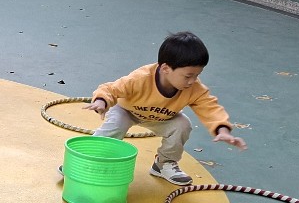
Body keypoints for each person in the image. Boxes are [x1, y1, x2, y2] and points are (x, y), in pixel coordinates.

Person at [85, 31, 247, 185]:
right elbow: (110, 89)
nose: (192, 81)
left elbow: (210, 108)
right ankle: (90, 158)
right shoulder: (140, 78)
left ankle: (163, 164)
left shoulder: (194, 88)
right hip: (127, 111)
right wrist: (101, 101)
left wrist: (222, 130)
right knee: (116, 125)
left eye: (197, 75)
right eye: (188, 76)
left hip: (162, 117)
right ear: (165, 69)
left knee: (183, 125)